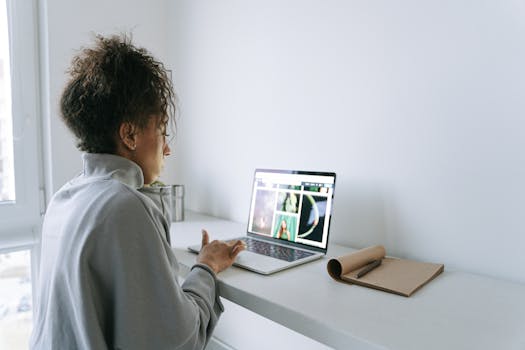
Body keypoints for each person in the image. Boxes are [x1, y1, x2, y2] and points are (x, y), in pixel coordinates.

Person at [30, 34, 244, 350]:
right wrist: (206, 266)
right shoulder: (126, 206)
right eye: (163, 131)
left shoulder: (65, 197)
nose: (167, 148)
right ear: (129, 134)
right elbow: (178, 341)